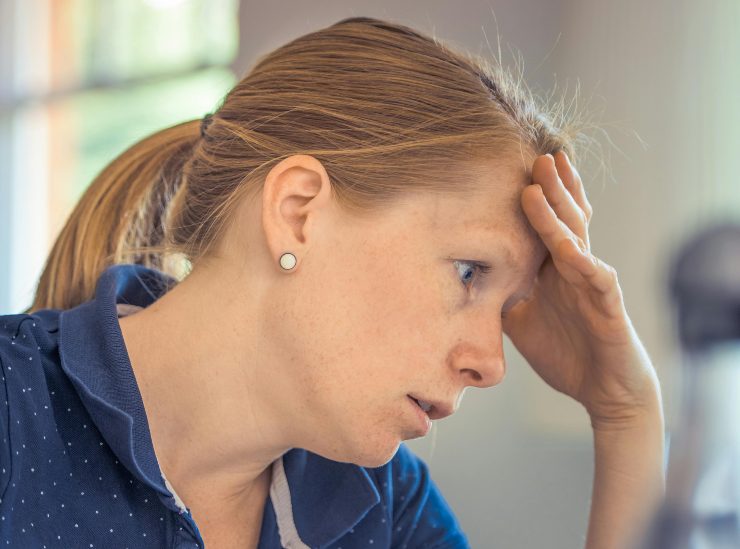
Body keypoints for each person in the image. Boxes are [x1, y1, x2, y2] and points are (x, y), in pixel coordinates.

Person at [0, 15, 665, 549]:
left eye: (508, 306)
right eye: (469, 273)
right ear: (298, 212)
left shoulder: (383, 505)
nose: (491, 364)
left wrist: (626, 413)